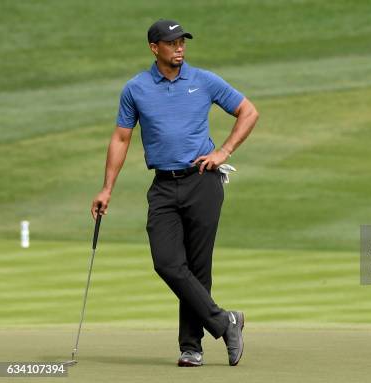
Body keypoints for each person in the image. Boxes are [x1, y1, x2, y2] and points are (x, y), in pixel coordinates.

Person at [91, 19, 259, 367]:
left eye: (182, 42)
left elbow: (248, 111)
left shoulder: (204, 81)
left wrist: (223, 152)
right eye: (171, 43)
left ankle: (191, 347)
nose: (179, 47)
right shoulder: (135, 89)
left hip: (203, 180)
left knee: (198, 267)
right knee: (167, 263)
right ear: (155, 48)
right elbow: (121, 138)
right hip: (164, 186)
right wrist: (107, 188)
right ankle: (226, 321)